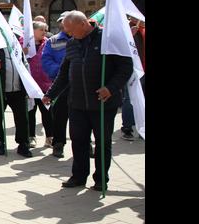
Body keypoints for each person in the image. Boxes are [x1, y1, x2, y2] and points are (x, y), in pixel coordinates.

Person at [43, 11, 133, 191]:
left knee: (102, 143)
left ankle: (101, 179)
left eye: (70, 30)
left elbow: (125, 67)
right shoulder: (72, 43)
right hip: (76, 102)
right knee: (78, 141)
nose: (69, 34)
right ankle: (78, 176)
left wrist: (111, 88)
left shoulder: (107, 39)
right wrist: (51, 94)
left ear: (82, 24)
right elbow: (64, 73)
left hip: (102, 102)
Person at [0, 41, 32, 158]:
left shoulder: (17, 48)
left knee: (21, 118)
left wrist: (27, 88)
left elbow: (25, 67)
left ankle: (23, 144)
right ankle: (0, 143)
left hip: (17, 92)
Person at [41, 12, 72, 158]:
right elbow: (46, 61)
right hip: (60, 86)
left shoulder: (83, 39)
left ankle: (85, 144)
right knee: (59, 116)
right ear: (61, 25)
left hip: (80, 85)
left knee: (82, 118)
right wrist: (63, 73)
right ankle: (58, 143)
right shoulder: (52, 41)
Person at [26, 21, 53, 148]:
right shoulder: (24, 42)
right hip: (30, 85)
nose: (44, 33)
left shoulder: (49, 43)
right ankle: (31, 137)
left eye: (45, 30)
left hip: (45, 85)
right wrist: (23, 52)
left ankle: (50, 137)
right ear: (34, 31)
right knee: (30, 112)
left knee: (47, 112)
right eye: (41, 30)